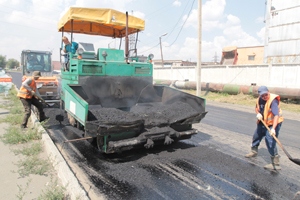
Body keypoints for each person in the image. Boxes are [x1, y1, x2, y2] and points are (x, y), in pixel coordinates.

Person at [245, 86, 284, 170]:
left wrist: (273, 128)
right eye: (262, 96)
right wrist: (258, 113)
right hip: (263, 121)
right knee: (257, 135)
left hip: (274, 123)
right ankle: (254, 151)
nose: (264, 97)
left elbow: (276, 116)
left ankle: (276, 163)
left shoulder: (273, 101)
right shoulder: (260, 99)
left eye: (266, 95)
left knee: (270, 140)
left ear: (268, 92)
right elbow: (257, 108)